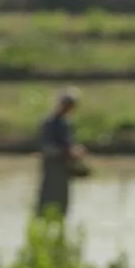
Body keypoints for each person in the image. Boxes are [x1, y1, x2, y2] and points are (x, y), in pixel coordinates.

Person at [37, 89, 86, 218]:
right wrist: (67, 151)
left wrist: (75, 150)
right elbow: (47, 147)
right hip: (53, 166)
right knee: (49, 199)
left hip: (64, 167)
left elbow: (67, 143)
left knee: (62, 201)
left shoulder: (66, 124)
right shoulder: (50, 123)